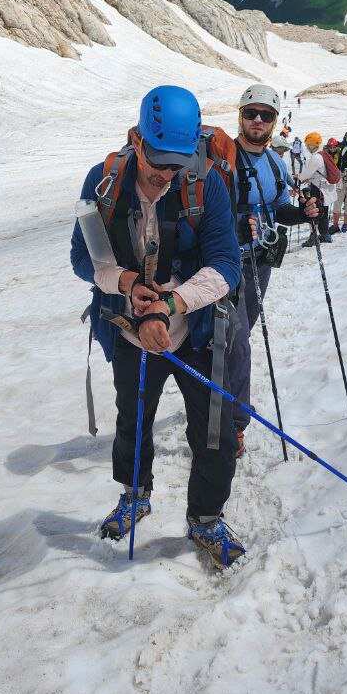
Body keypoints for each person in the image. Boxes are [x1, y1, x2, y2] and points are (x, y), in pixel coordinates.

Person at [70, 85, 245, 567]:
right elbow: (83, 259)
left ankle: (206, 518)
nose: (167, 174)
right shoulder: (102, 182)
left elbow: (227, 263)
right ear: (138, 140)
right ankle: (135, 493)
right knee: (134, 419)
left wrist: (169, 304)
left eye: (177, 163)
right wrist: (127, 284)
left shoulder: (204, 182)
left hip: (197, 330)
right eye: (159, 161)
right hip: (129, 330)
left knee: (214, 430)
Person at [225, 85, 319, 456]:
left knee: (240, 334)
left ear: (275, 122)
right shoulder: (223, 160)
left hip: (260, 261)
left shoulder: (276, 165)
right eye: (252, 114)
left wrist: (302, 214)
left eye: (266, 115)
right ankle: (234, 421)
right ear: (241, 117)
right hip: (224, 262)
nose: (259, 121)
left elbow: (278, 207)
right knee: (237, 340)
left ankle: (222, 403)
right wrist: (234, 223)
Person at [298, 132, 337, 242]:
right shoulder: (323, 154)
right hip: (326, 189)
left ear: (313, 144)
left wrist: (298, 179)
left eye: (308, 144)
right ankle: (325, 235)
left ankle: (313, 237)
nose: (306, 147)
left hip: (318, 189)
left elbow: (306, 174)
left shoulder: (316, 157)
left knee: (314, 212)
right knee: (323, 212)